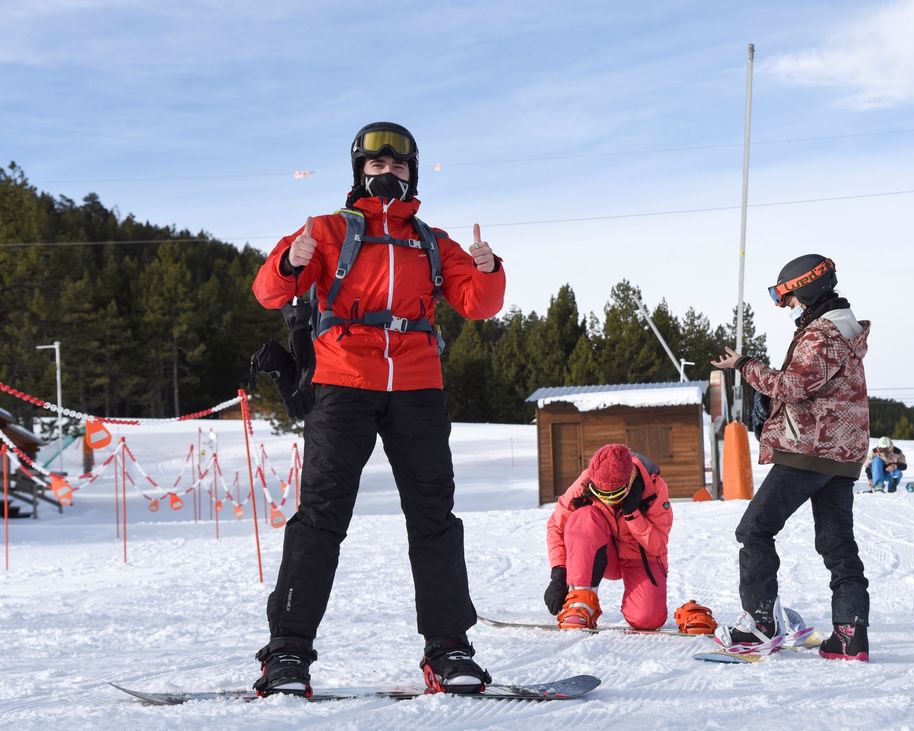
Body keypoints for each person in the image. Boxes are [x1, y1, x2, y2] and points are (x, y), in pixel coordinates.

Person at [249, 122, 506, 697]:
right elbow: (269, 291)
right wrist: (292, 261)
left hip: (417, 386)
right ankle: (287, 652)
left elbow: (478, 304)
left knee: (434, 517)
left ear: (412, 173)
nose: (387, 172)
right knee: (321, 515)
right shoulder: (327, 229)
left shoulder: (434, 242)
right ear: (358, 171)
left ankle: (449, 649)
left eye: (398, 166)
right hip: (342, 382)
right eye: (377, 165)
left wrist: (489, 269)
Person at [710, 254, 872, 661]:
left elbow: (793, 386)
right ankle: (850, 635)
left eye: (788, 297)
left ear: (808, 288)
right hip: (840, 455)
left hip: (809, 451)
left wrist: (745, 366)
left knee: (755, 530)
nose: (788, 306)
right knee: (837, 544)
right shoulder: (845, 333)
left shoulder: (823, 335)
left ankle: (760, 624)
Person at [543, 444, 695, 632]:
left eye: (615, 495)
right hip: (602, 553)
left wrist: (633, 515)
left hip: (640, 556)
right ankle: (582, 604)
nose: (608, 500)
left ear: (630, 480)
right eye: (601, 494)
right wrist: (559, 574)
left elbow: (658, 545)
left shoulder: (655, 488)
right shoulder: (585, 480)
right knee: (583, 516)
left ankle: (640, 609)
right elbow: (556, 525)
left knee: (647, 620)